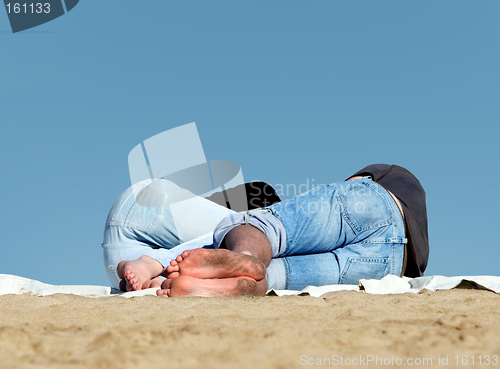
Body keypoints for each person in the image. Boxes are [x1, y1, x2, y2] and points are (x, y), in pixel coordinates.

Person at [107, 164, 429, 296]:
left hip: (132, 231)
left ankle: (243, 255)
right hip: (391, 267)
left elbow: (346, 195)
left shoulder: (384, 177)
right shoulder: (416, 251)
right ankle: (241, 283)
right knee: (275, 278)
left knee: (261, 228)